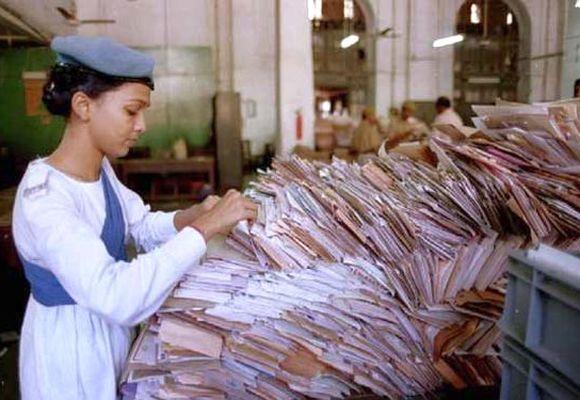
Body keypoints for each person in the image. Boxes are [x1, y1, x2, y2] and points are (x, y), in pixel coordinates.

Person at [12, 36, 258, 400]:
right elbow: (116, 295)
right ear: (83, 106)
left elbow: (139, 225)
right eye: (132, 111)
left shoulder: (101, 171)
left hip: (107, 335)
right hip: (71, 352)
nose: (142, 124)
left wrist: (193, 216)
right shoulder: (44, 197)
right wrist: (204, 230)